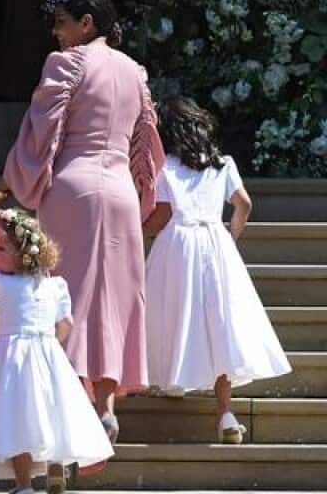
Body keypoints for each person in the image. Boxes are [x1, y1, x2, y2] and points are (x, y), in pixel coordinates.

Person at [0, 0, 164, 443]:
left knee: (68, 297)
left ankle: (67, 406)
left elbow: (40, 134)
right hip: (121, 194)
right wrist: (140, 193)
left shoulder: (65, 64)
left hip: (75, 187)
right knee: (117, 297)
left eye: (63, 23)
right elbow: (147, 147)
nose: (56, 32)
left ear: (87, 23)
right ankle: (106, 407)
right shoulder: (134, 71)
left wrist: (11, 182)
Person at [144, 96, 291, 443]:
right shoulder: (223, 164)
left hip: (177, 244)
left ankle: (175, 379)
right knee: (219, 322)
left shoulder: (166, 168)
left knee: (176, 313)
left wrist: (139, 227)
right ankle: (225, 412)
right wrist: (230, 234)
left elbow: (161, 217)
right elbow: (244, 203)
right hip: (214, 242)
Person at [0, 209, 112, 494]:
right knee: (51, 413)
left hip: (12, 358)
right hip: (48, 355)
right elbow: (65, 324)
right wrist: (49, 344)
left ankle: (24, 484)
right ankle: (54, 465)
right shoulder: (54, 285)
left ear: (24, 253)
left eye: (1, 249)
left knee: (16, 420)